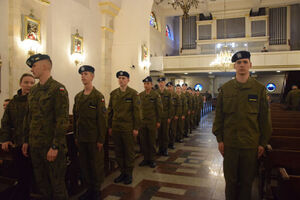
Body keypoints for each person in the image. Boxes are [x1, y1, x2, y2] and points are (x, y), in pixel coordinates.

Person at [213, 51, 272, 200]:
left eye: (245, 62)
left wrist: (262, 143)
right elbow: (219, 116)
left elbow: (265, 120)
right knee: (231, 181)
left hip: (250, 145)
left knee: (247, 182)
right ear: (234, 66)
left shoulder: (259, 89)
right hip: (230, 144)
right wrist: (220, 139)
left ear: (250, 65)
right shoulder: (226, 89)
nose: (242, 65)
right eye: (239, 63)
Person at [23, 53, 69, 200]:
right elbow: (28, 117)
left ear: (44, 66)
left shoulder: (58, 89)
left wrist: (55, 146)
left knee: (57, 186)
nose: (32, 69)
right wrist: (26, 140)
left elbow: (62, 120)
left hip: (51, 147)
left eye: (34, 66)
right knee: (42, 184)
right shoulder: (34, 91)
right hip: (36, 146)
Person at [73, 65, 107, 200]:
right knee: (85, 165)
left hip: (94, 138)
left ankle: (97, 190)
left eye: (86, 74)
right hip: (82, 138)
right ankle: (88, 189)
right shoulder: (78, 97)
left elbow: (102, 120)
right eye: (82, 74)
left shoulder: (98, 96)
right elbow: (76, 118)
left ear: (92, 76)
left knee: (96, 165)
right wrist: (76, 135)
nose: (83, 76)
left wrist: (100, 140)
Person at [0, 73, 35, 200]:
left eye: (32, 83)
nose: (29, 85)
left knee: (33, 176)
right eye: (26, 82)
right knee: (22, 175)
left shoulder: (36, 100)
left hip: (33, 143)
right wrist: (5, 138)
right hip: (17, 143)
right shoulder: (13, 103)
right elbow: (5, 123)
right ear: (20, 84)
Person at [108, 71, 141, 185]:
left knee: (128, 152)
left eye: (123, 78)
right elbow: (110, 111)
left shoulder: (133, 94)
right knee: (119, 152)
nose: (121, 80)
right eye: (120, 78)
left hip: (128, 128)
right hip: (116, 127)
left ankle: (129, 174)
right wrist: (109, 126)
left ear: (128, 80)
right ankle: (122, 172)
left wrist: (136, 128)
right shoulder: (113, 94)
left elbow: (137, 112)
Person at [139, 76, 162, 168]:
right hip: (143, 122)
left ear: (151, 85)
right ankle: (145, 159)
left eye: (148, 84)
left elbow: (159, 109)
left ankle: (152, 159)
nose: (146, 85)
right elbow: (139, 109)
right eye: (145, 84)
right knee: (143, 142)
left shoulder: (156, 95)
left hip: (152, 122)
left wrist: (158, 121)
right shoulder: (140, 95)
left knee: (152, 141)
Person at [157, 77, 173, 156]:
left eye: (162, 82)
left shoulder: (168, 93)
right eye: (159, 82)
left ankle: (165, 149)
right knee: (159, 134)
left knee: (165, 134)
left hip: (166, 116)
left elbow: (170, 106)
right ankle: (160, 149)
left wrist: (169, 117)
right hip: (158, 117)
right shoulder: (156, 92)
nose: (161, 84)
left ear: (164, 83)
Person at [166, 82, 179, 149]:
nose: (169, 88)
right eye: (168, 87)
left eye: (170, 87)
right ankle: (166, 144)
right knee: (166, 131)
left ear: (172, 87)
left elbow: (178, 106)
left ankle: (172, 143)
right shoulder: (165, 95)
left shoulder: (175, 95)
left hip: (173, 116)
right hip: (167, 116)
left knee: (173, 130)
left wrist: (176, 115)